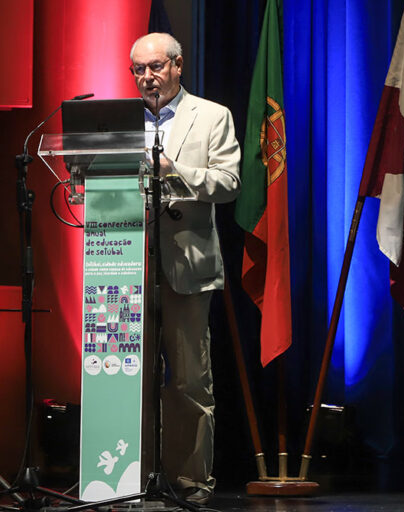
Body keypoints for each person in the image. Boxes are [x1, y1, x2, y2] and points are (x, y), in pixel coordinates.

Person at [129, 32, 241, 505]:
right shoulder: (120, 122)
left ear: (178, 66)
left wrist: (174, 171)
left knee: (190, 381)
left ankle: (191, 481)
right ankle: (132, 477)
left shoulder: (213, 116)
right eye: (138, 70)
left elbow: (229, 182)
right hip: (127, 267)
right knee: (130, 378)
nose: (147, 77)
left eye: (155, 67)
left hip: (187, 267)